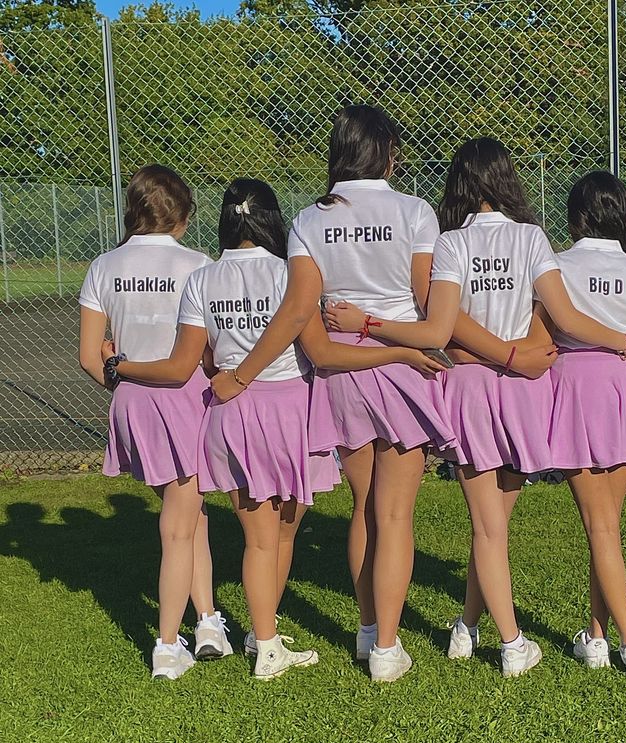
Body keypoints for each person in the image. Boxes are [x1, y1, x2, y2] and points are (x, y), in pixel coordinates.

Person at [326, 138, 626, 677]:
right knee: (496, 524)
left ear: (458, 183)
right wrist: (623, 342)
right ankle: (509, 642)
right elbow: (563, 319)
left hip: (469, 388)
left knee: (488, 527)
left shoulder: (451, 244)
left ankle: (472, 627)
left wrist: (373, 324)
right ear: (507, 179)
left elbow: (443, 327)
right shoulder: (530, 237)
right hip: (522, 390)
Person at [111, 176, 444, 680]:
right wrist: (398, 353)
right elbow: (323, 352)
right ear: (272, 221)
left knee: (258, 538)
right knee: (284, 533)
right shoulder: (293, 277)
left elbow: (199, 358)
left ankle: (264, 639)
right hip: (290, 411)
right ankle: (266, 641)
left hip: (231, 414)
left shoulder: (203, 279)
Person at [211, 106, 462, 684]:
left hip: (341, 369)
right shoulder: (414, 211)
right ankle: (386, 648)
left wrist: (243, 373)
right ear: (389, 153)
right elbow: (428, 310)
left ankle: (369, 630)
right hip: (402, 361)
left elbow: (299, 310)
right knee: (394, 514)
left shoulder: (309, 219)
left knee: (364, 506)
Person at [79, 164, 230, 682]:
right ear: (182, 215)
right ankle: (167, 645)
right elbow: (210, 350)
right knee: (179, 526)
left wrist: (126, 386)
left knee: (191, 513)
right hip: (186, 400)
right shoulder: (198, 265)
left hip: (132, 401)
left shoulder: (104, 266)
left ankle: (207, 622)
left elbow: (90, 357)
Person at [544, 171, 626, 677]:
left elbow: (543, 333)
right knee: (606, 526)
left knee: (601, 528)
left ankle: (624, 642)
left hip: (576, 390)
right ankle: (601, 636)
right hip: (625, 390)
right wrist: (624, 344)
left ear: (576, 216)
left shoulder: (556, 265)